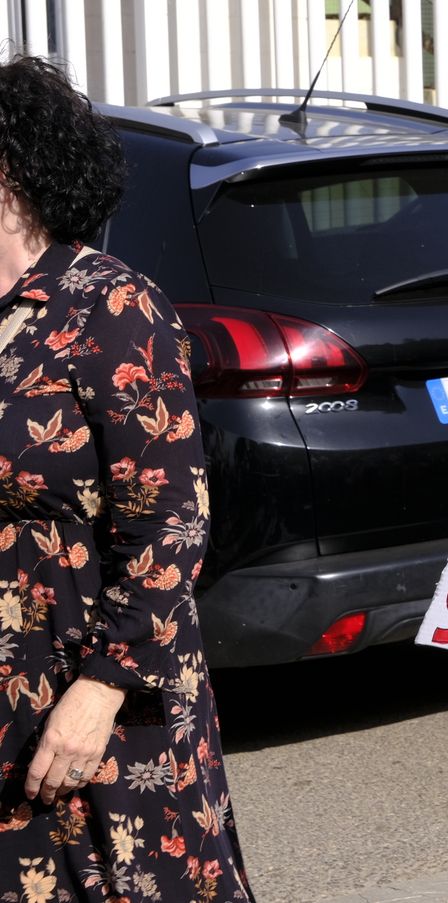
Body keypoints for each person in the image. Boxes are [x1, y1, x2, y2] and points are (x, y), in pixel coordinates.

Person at [0, 56, 253, 900]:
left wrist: (100, 689)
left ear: (12, 171)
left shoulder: (109, 307)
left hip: (98, 703)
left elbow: (171, 525)